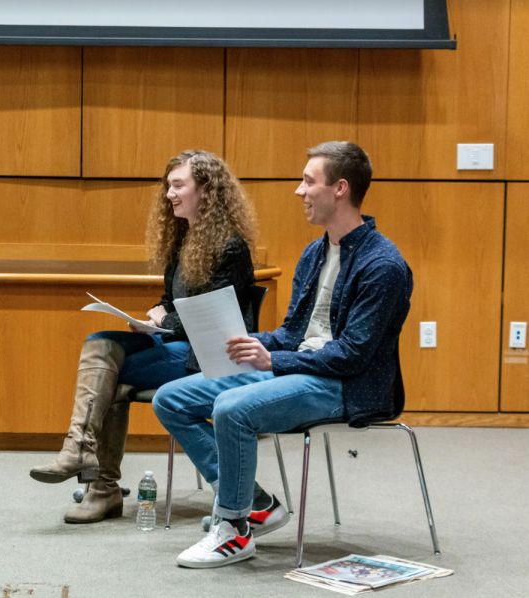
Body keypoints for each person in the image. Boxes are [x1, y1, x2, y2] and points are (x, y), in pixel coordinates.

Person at [153, 141, 413, 568]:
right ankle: (253, 503)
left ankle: (234, 529)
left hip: (345, 385)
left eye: (309, 181)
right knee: (171, 399)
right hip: (299, 369)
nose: (299, 190)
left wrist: (273, 360)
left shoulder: (383, 264)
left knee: (231, 407)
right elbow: (294, 332)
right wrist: (254, 343)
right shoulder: (315, 253)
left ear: (340, 189)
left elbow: (352, 356)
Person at [29, 149, 264, 524]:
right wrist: (156, 313)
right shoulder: (184, 238)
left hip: (205, 354)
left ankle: (98, 482)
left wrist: (164, 321)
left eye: (178, 185)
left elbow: (209, 318)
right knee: (100, 342)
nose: (169, 194)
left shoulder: (230, 247)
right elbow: (172, 300)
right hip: (178, 340)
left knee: (112, 377)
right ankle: (83, 458)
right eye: (168, 186)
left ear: (205, 190)